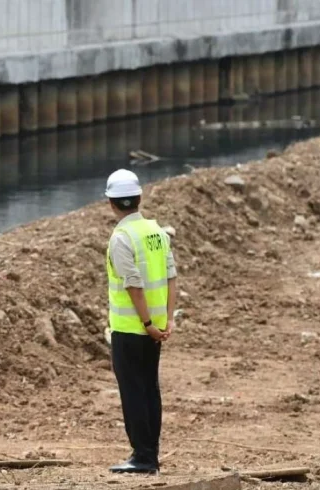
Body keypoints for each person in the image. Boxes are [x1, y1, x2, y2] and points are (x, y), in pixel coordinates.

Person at [104, 169, 178, 474]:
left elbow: (132, 284)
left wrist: (146, 322)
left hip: (132, 328)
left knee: (134, 390)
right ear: (139, 198)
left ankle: (143, 457)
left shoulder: (121, 237)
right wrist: (167, 319)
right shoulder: (156, 231)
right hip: (155, 327)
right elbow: (171, 276)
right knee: (149, 388)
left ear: (111, 203)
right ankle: (151, 453)